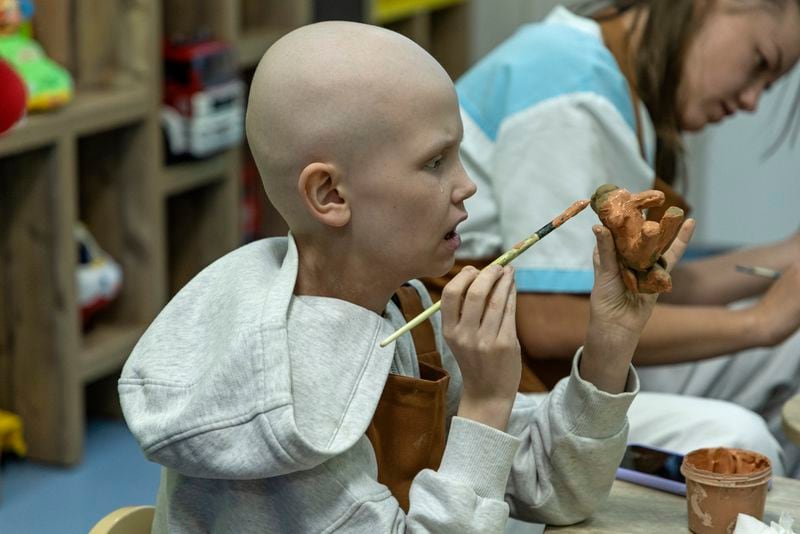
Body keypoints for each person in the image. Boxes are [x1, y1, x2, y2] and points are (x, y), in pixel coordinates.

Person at [119, 21, 693, 532]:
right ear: (331, 194)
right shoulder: (285, 405)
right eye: (436, 161)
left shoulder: (403, 312)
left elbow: (556, 489)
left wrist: (609, 345)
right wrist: (487, 404)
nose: (467, 184)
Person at [443, 0, 800, 476]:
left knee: (789, 347)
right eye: (760, 62)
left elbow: (645, 285)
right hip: (491, 379)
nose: (753, 100)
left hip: (548, 352)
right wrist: (758, 323)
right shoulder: (573, 92)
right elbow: (547, 320)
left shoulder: (603, 77)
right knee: (739, 440)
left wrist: (790, 255)